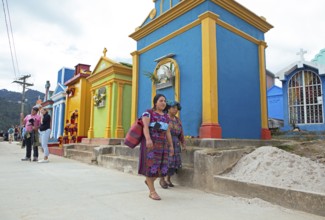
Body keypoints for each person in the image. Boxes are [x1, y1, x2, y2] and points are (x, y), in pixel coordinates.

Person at [139, 94, 174, 200]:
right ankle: (152, 191)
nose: (163, 102)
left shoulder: (166, 116)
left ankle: (149, 181)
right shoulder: (148, 113)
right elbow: (145, 127)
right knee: (151, 167)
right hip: (151, 145)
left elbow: (168, 132)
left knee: (161, 168)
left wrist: (171, 146)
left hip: (163, 146)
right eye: (161, 100)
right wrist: (148, 139)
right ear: (155, 102)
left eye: (165, 101)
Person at [159, 101, 186, 188]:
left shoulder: (178, 120)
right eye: (173, 108)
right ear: (168, 108)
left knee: (173, 163)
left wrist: (183, 143)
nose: (175, 110)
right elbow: (158, 130)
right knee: (165, 162)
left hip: (176, 143)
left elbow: (181, 133)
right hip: (166, 143)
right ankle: (162, 179)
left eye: (177, 108)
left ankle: (168, 179)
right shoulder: (163, 118)